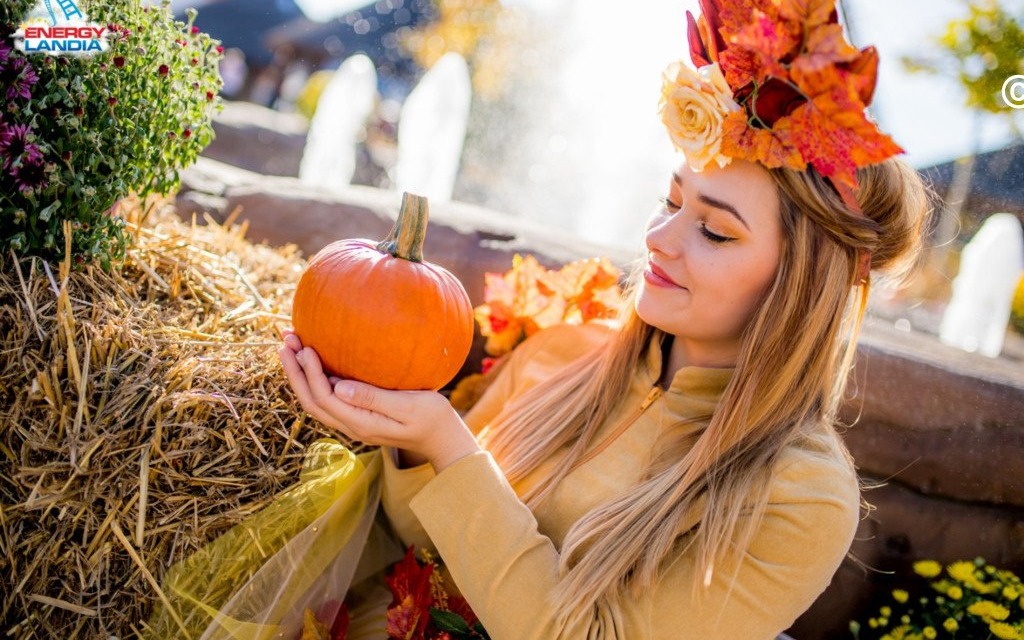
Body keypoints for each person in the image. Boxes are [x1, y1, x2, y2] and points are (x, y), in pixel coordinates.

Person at [278, 0, 931, 637]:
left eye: (714, 231)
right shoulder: (562, 350)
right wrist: (407, 435)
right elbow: (418, 539)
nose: (658, 237)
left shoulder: (801, 495)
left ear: (800, 286)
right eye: (669, 201)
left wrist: (450, 445)